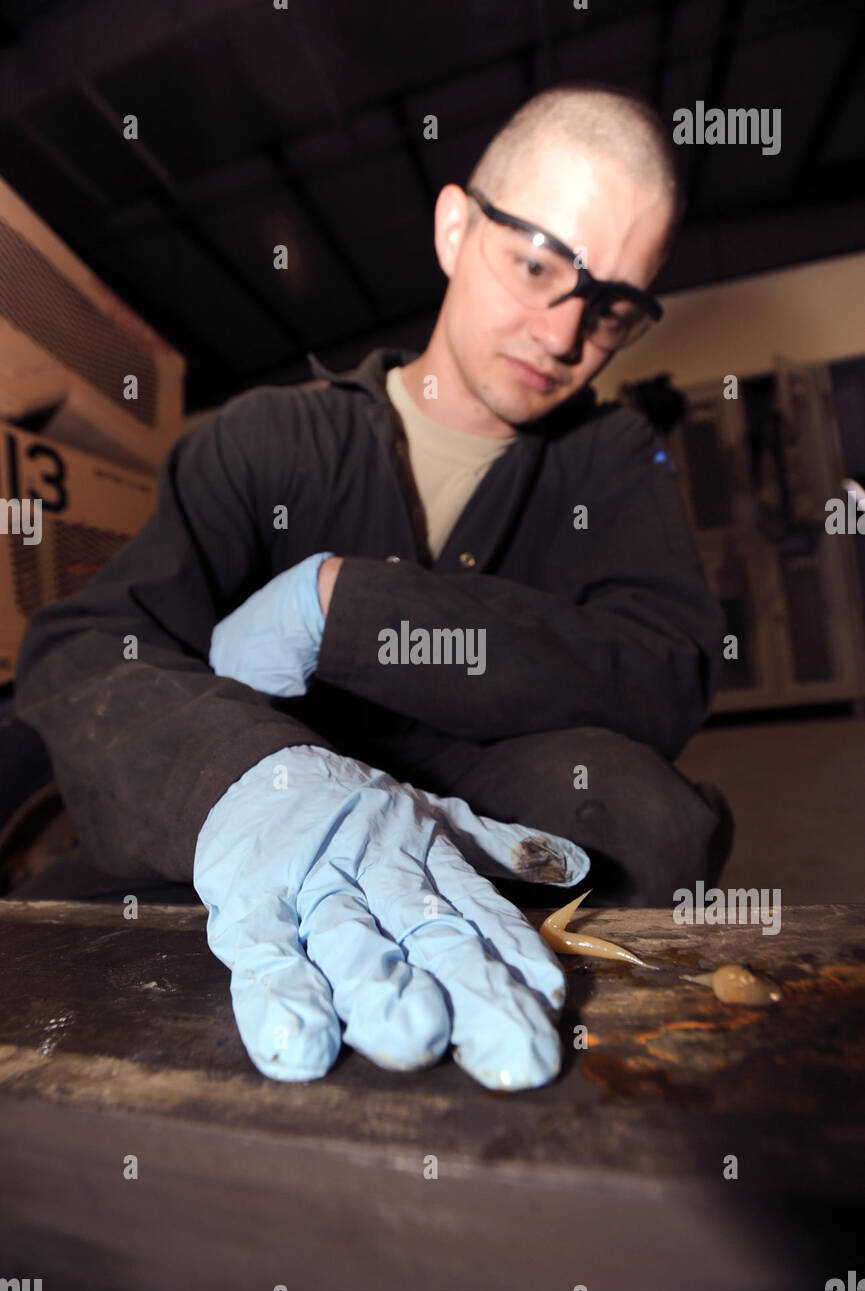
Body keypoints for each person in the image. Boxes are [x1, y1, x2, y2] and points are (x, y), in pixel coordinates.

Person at [13, 81, 733, 1092]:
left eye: (612, 309)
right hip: (260, 804)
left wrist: (349, 606)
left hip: (498, 822)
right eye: (536, 265)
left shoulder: (608, 461)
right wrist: (258, 779)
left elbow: (663, 671)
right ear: (452, 227)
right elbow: (85, 650)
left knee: (640, 816)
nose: (565, 336)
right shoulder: (264, 440)